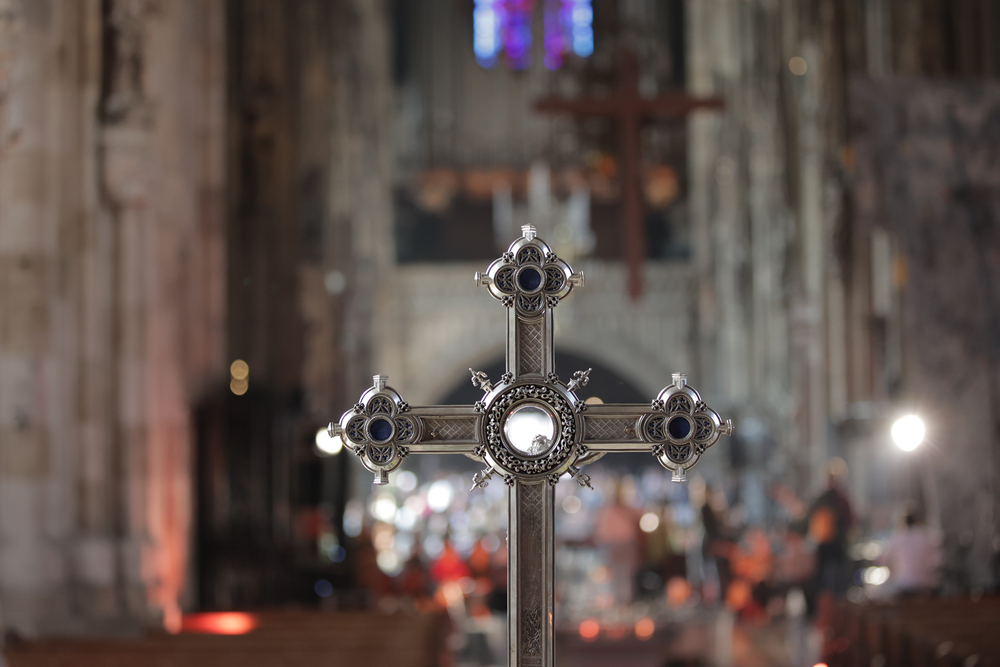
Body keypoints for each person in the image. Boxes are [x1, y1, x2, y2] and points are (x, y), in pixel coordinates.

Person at [806, 458, 853, 598]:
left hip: (828, 548)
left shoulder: (822, 499)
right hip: (833, 548)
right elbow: (851, 522)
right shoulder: (841, 499)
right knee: (835, 586)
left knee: (826, 585)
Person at [880, 508, 942, 597]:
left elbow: (884, 561)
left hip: (903, 584)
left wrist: (895, 572)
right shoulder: (925, 537)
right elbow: (938, 561)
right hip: (925, 584)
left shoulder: (897, 538)